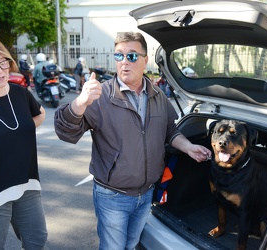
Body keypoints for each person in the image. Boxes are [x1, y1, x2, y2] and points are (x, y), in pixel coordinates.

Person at [54, 31, 211, 250]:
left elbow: (169, 131)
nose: (124, 62)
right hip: (112, 196)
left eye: (132, 56)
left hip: (146, 193)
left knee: (132, 245)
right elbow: (66, 132)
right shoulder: (100, 97)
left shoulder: (158, 96)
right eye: (119, 56)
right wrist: (79, 103)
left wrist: (189, 147)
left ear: (145, 60)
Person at [0, 34, 47, 249]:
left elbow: (40, 114)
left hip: (27, 183)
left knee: (37, 239)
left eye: (3, 62)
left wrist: (16, 133)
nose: (0, 70)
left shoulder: (19, 93)